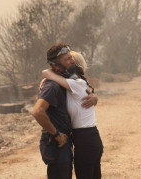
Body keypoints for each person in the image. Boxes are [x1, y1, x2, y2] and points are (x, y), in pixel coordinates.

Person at [31, 43, 98, 179]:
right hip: (57, 141)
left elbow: (83, 87)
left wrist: (94, 96)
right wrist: (56, 134)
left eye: (71, 57)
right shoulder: (52, 86)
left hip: (65, 140)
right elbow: (38, 112)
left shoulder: (64, 83)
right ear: (56, 66)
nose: (72, 61)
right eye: (67, 59)